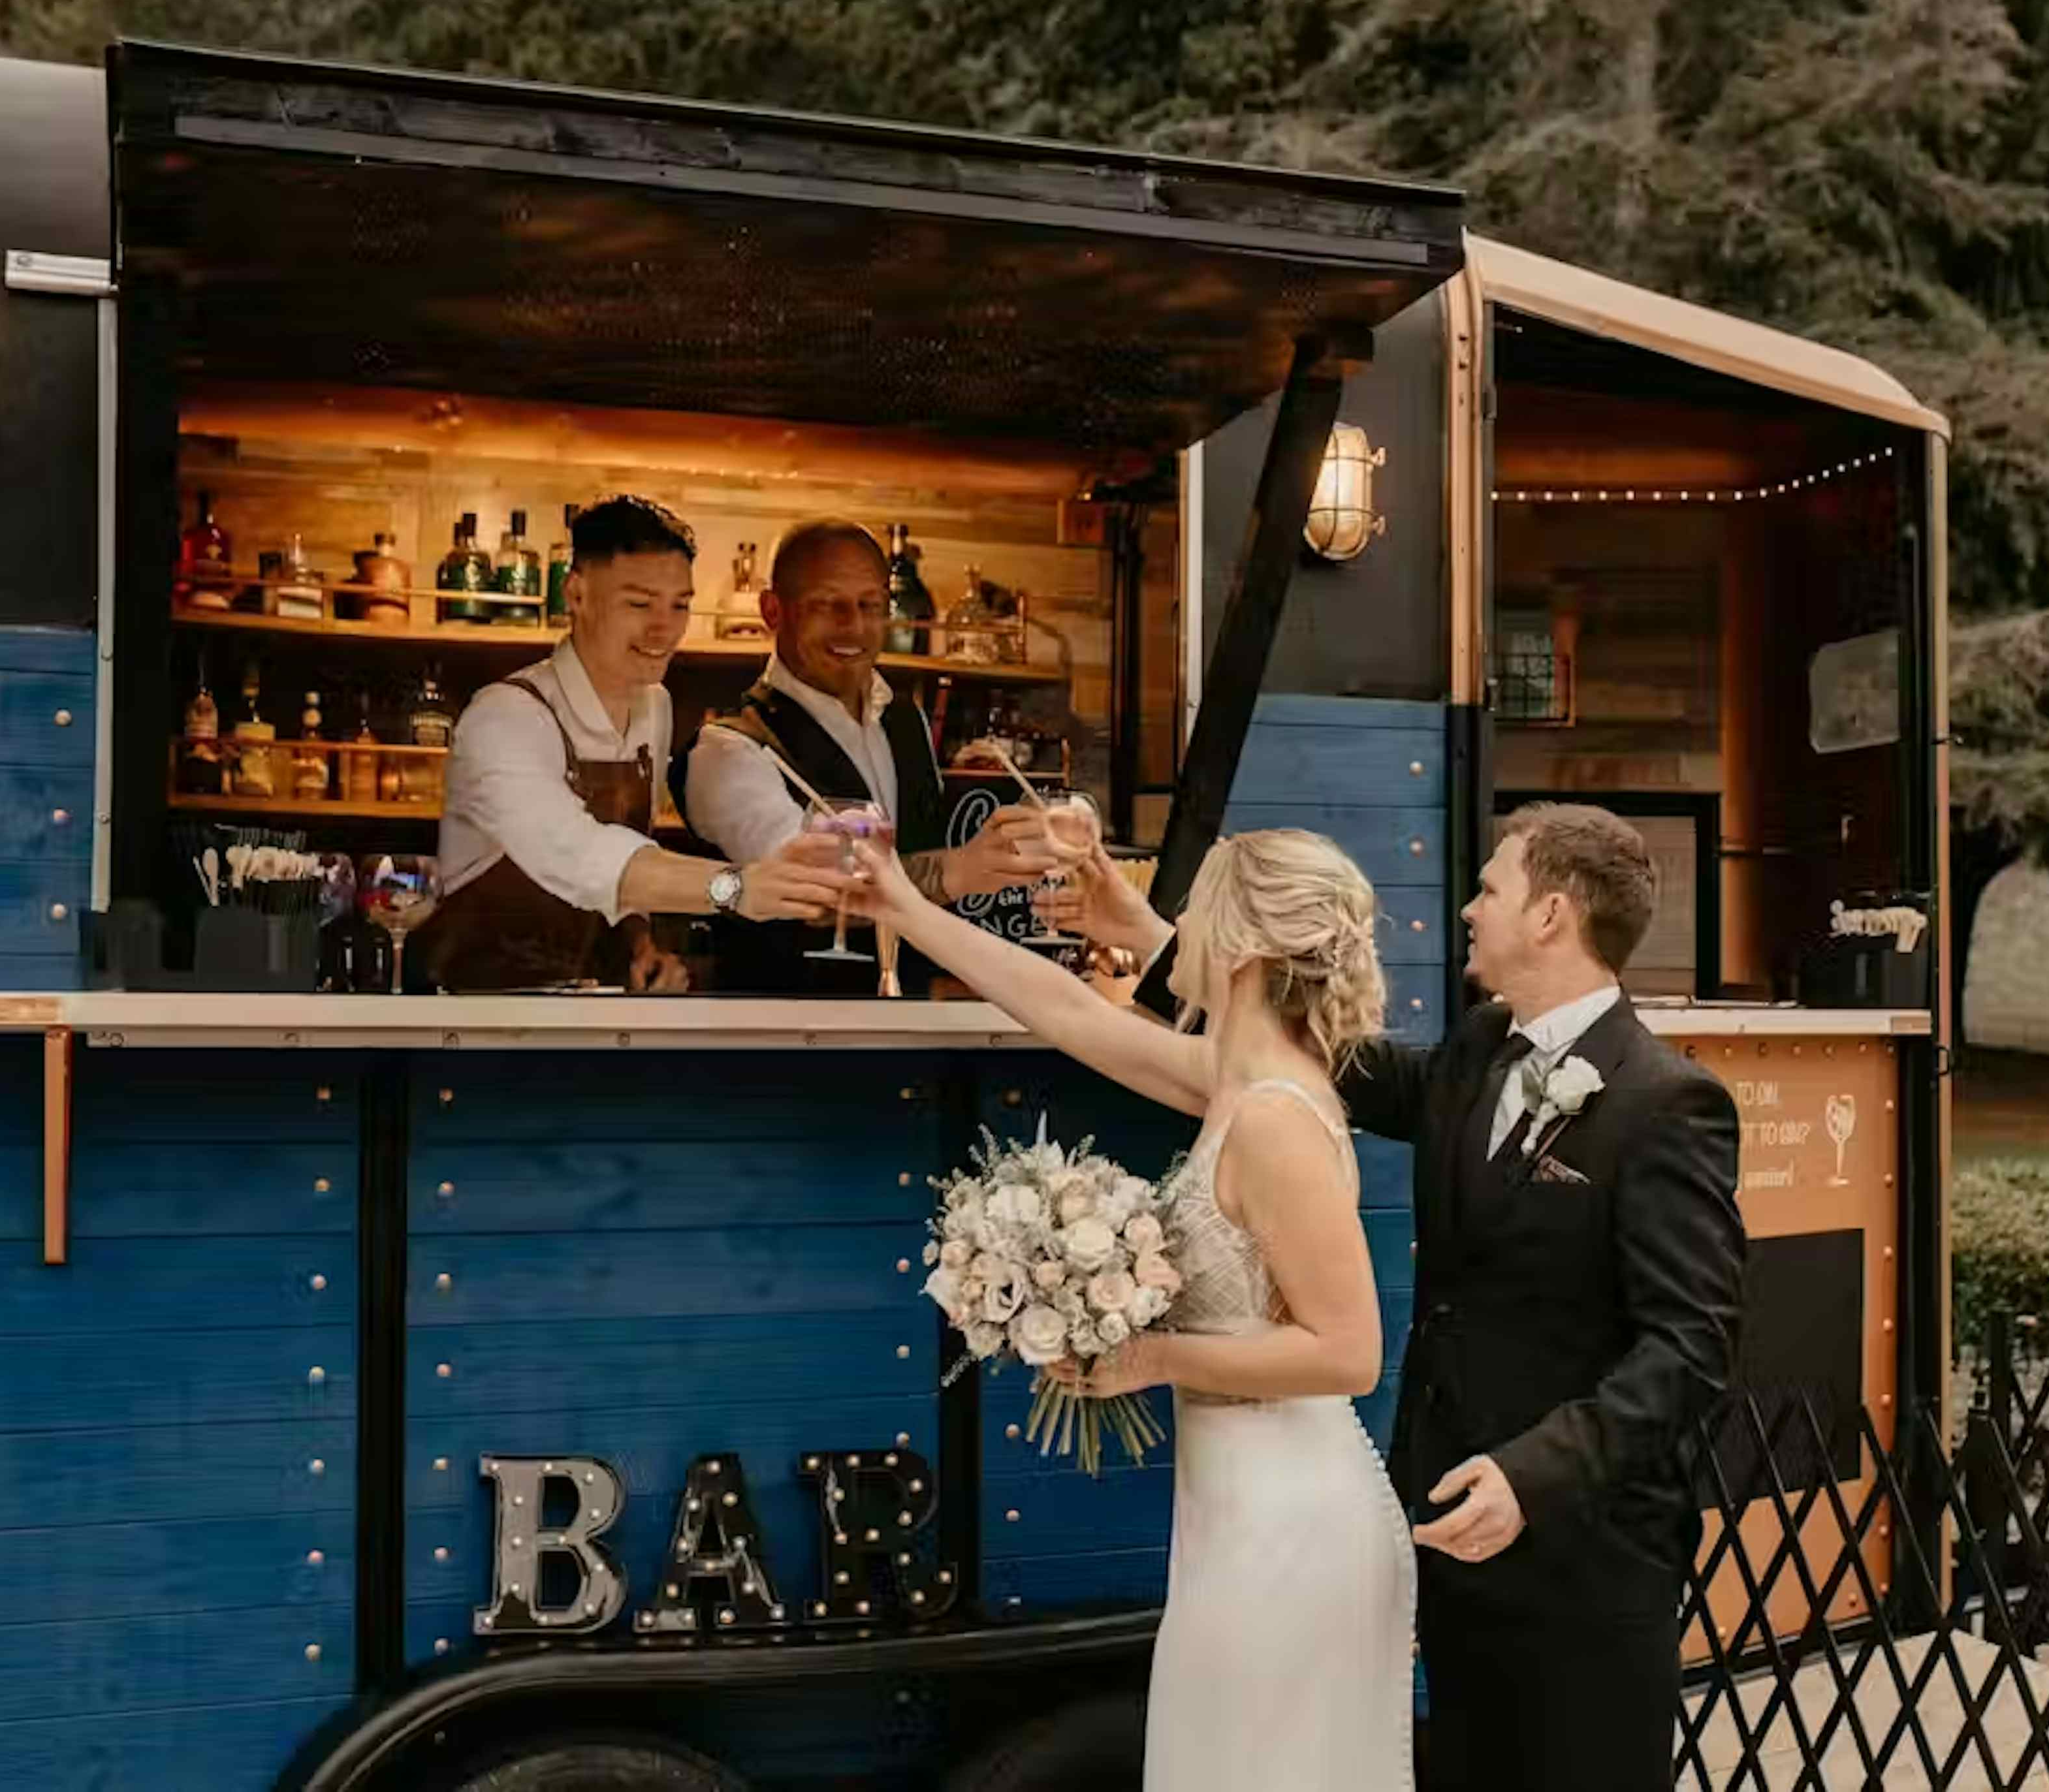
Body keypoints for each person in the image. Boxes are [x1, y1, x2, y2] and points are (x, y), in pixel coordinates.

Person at [1049, 805, 1746, 1792]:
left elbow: (1693, 1345)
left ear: (1550, 914)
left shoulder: (1667, 1102)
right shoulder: (1475, 1055)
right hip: (1449, 1530)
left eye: (1492, 887)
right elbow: (1300, 1048)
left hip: (1585, 1553)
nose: (1468, 906)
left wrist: (1533, 1474)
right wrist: (1173, 944)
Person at [857, 828, 1414, 1792]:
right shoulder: (1235, 1084)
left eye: (1196, 904)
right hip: (1237, 1506)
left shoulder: (1277, 1116)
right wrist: (905, 909)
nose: (1180, 921)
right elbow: (1067, 1009)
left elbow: (1349, 1350)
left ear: (1239, 944)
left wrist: (1156, 1357)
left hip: (1290, 1519)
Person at [420, 495, 853, 993]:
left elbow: (625, 862)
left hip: (594, 1015)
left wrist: (639, 944)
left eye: (680, 605)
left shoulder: (654, 707)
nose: (663, 629)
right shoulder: (504, 718)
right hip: (475, 1024)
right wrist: (735, 888)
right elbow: (579, 855)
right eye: (640, 603)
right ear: (576, 595)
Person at [676, 518, 1052, 992]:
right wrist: (960, 870)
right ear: (773, 610)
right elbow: (812, 889)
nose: (852, 625)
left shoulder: (905, 721)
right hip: (785, 1037)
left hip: (913, 1029)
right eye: (826, 605)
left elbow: (921, 849)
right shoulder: (728, 751)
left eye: (869, 605)